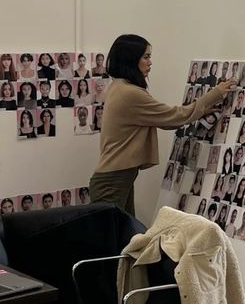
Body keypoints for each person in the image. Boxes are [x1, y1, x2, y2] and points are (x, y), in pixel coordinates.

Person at [88, 34, 235, 217]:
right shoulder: (129, 93)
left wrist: (201, 109)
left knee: (127, 237)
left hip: (116, 178)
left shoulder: (119, 86)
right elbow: (174, 117)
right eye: (146, 57)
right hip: (113, 180)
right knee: (115, 239)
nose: (150, 62)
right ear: (131, 59)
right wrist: (216, 93)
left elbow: (167, 117)